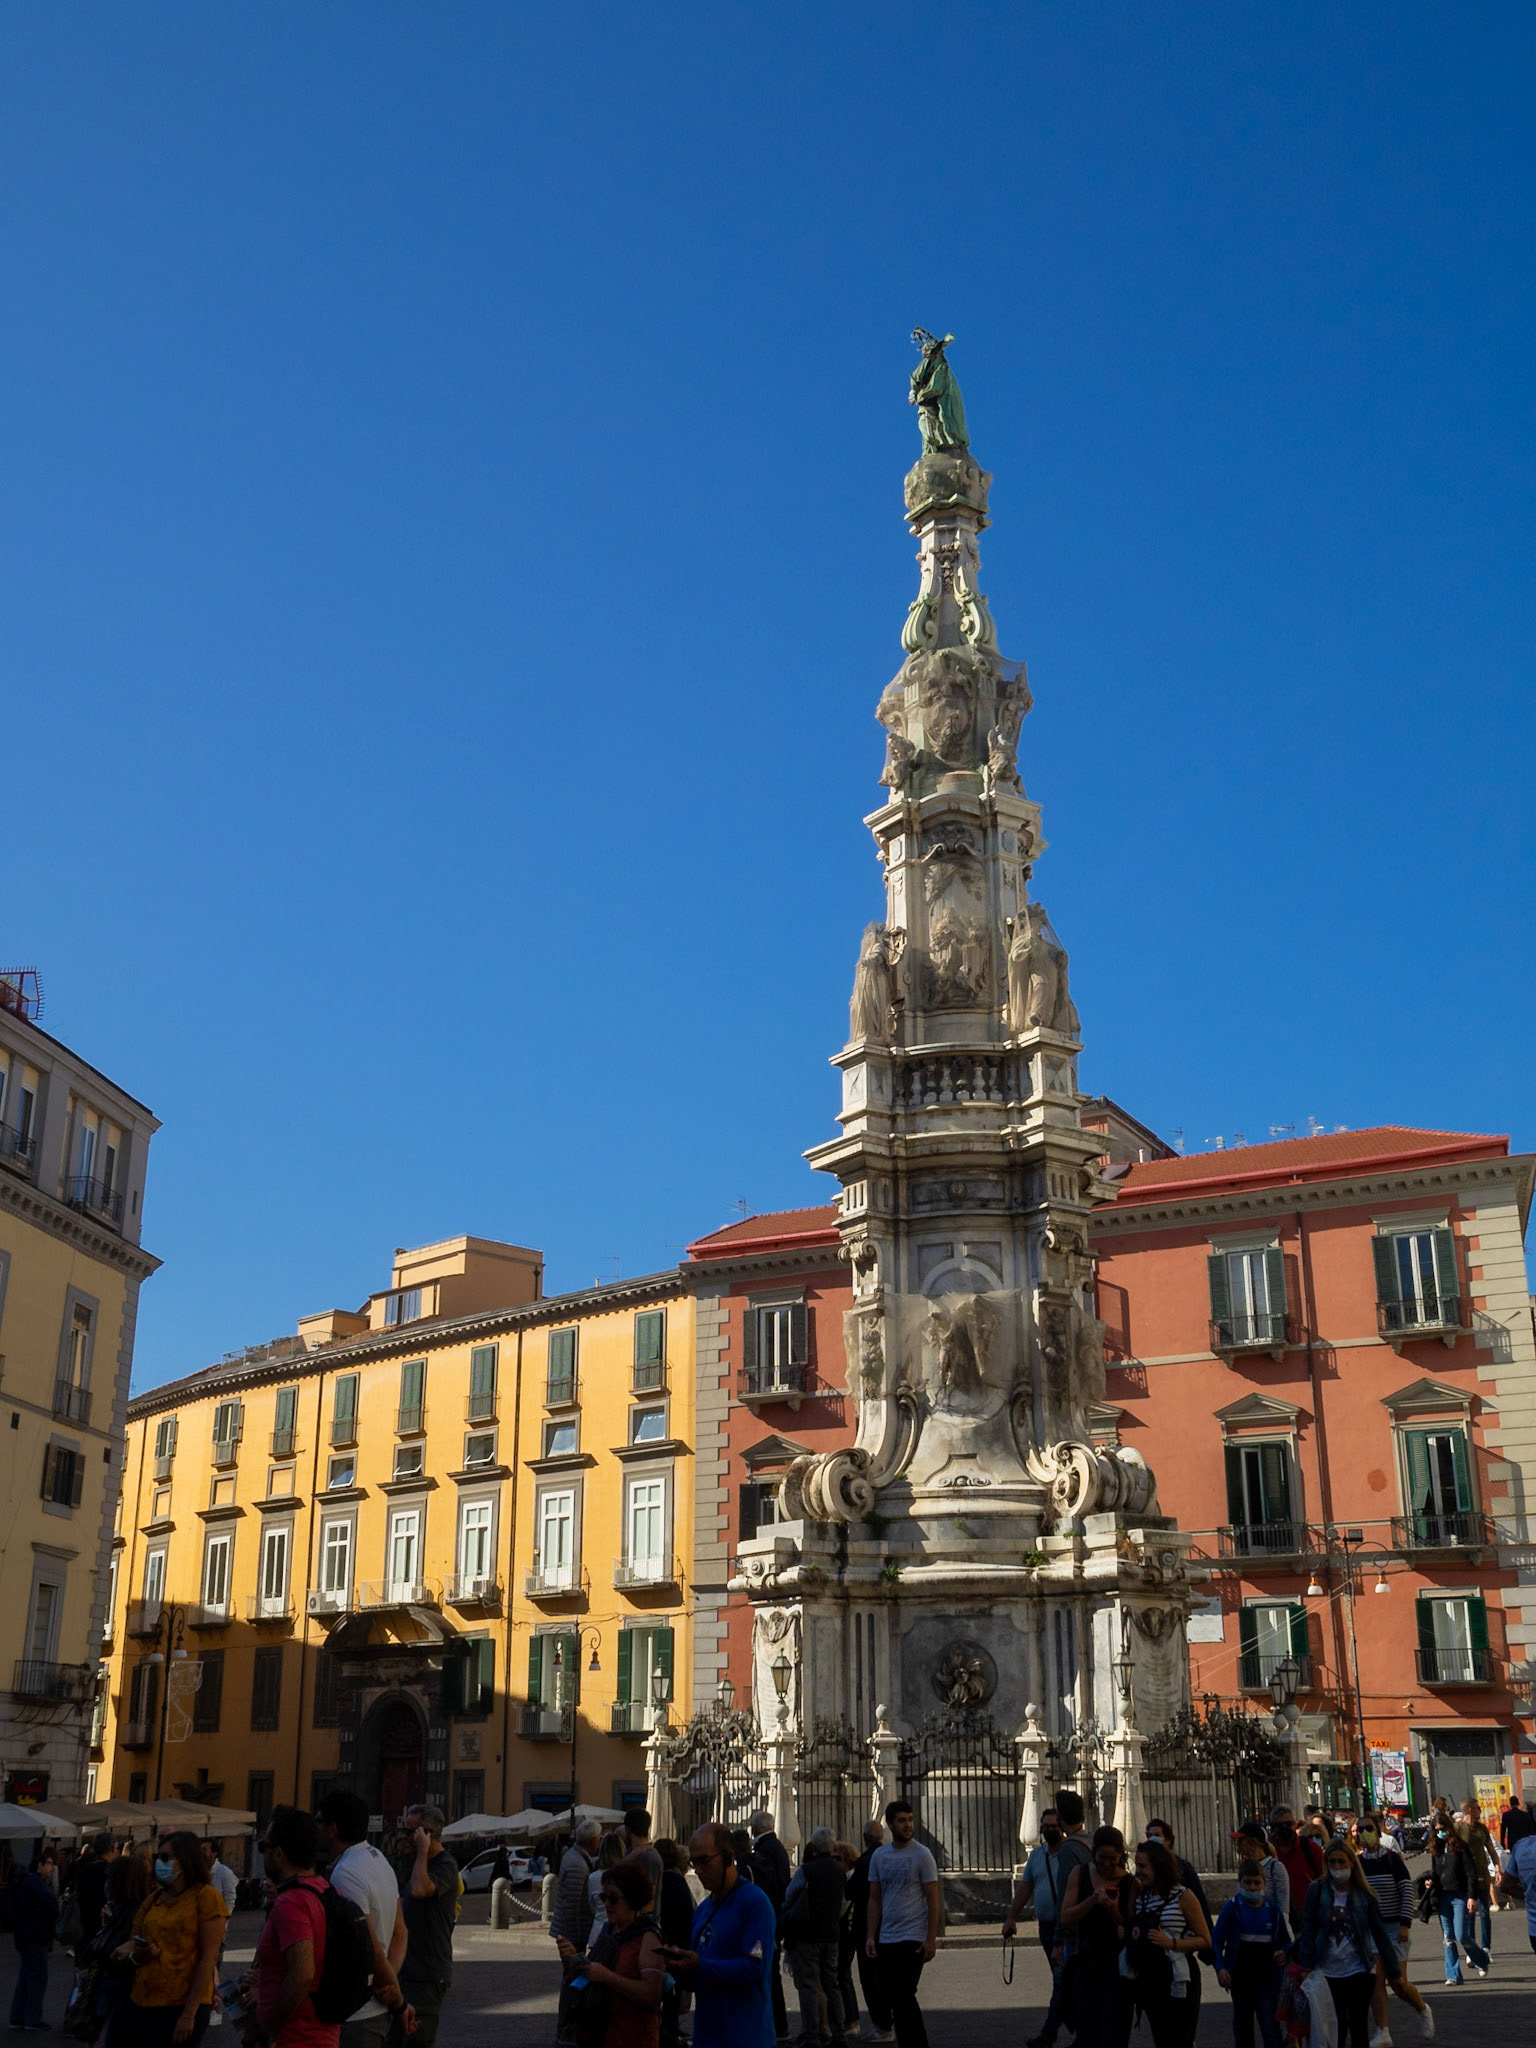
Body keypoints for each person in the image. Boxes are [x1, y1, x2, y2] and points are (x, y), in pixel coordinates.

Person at [662, 1824, 776, 2048]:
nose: (699, 1870)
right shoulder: (704, 1909)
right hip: (707, 2036)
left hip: (746, 2037)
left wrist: (699, 1965)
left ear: (728, 1858)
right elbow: (698, 1973)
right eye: (693, 1863)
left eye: (705, 1861)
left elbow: (756, 1969)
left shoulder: (755, 1903)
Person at [314, 1790, 413, 2048]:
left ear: (332, 1828)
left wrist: (398, 2000)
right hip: (375, 2007)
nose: (315, 1827)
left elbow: (366, 1946)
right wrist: (389, 1986)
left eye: (318, 1821)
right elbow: (400, 1932)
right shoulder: (379, 1860)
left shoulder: (345, 1873)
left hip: (355, 2014)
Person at [117, 1830, 229, 2048]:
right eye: (157, 1857)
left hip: (181, 2004)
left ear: (186, 1861)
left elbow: (208, 1959)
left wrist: (189, 2014)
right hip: (143, 1999)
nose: (160, 1863)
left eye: (166, 1858)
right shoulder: (154, 1899)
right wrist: (136, 1954)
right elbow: (132, 1941)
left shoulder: (206, 1897)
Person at [239, 1804, 339, 2048]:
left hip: (295, 2038)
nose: (262, 1854)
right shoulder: (324, 1889)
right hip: (322, 2034)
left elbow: (303, 1973)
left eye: (264, 1847)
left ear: (279, 1854)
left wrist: (269, 2030)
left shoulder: (291, 1902)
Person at [1293, 1838, 1401, 2048]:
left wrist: (1393, 1971)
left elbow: (1380, 1934)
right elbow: (1307, 1929)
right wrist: (1305, 1966)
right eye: (1332, 1862)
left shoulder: (1365, 1894)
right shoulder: (1317, 1890)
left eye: (1341, 1862)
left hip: (1358, 1969)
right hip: (1327, 1971)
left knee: (1359, 2027)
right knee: (1336, 2029)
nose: (1337, 1867)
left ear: (1352, 1863)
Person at [1001, 1807, 1090, 2048]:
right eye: (1046, 1826)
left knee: (1062, 1981)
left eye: (1054, 1825)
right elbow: (1025, 1888)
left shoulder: (1070, 1853)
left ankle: (1048, 2035)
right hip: (1046, 1929)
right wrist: (1012, 1918)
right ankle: (1083, 2032)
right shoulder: (1037, 1856)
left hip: (1068, 1928)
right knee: (1064, 1982)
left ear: (1061, 1827)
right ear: (1040, 1828)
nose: (1050, 1829)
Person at [556, 1859, 663, 2048]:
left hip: (632, 2038)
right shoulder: (609, 1931)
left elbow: (652, 1995)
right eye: (603, 1897)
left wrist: (608, 1977)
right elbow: (591, 1974)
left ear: (633, 1899)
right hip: (599, 2036)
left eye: (613, 1898)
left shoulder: (648, 1937)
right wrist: (573, 1959)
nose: (607, 1904)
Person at [1121, 1838, 1210, 2048]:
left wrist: (1171, 1943)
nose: (1138, 1871)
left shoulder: (1184, 1896)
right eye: (1137, 1865)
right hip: (1151, 1978)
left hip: (1179, 1978)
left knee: (1181, 2040)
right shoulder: (1142, 1896)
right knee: (1162, 2040)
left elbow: (1205, 1939)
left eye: (1143, 1866)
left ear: (1159, 1867)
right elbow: (1134, 1928)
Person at [1351, 1817, 1431, 2044]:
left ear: (1378, 1832)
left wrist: (1405, 1923)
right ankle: (1382, 2031)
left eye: (1369, 1828)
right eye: (1360, 1830)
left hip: (1394, 1926)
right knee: (1376, 1980)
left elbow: (1406, 1891)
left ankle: (1422, 2008)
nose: (1364, 1833)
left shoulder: (1391, 1859)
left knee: (1399, 1983)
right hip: (1371, 1929)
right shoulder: (1357, 1863)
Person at [865, 1802, 938, 2048]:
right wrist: (870, 1935)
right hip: (887, 1937)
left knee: (905, 1996)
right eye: (901, 1820)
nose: (908, 1825)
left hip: (913, 1937)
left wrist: (930, 1938)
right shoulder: (879, 1856)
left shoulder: (922, 1855)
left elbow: (933, 1899)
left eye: (910, 1819)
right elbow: (874, 1899)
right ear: (890, 1824)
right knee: (893, 1998)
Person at [1058, 1826, 1132, 2048]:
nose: (1107, 1865)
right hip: (1086, 1961)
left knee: (1112, 2032)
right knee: (1087, 2032)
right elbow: (1066, 1917)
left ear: (1121, 1856)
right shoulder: (1079, 1875)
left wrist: (1112, 1909)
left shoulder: (1130, 1883)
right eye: (1102, 1859)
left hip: (1116, 1966)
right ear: (1094, 1854)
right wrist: (1091, 1901)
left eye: (1113, 1859)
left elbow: (1131, 1928)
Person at [393, 1806, 457, 2048]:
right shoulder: (416, 1864)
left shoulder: (446, 1865)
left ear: (427, 1833)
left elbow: (420, 1890)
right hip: (406, 1973)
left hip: (427, 1976)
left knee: (416, 2043)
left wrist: (421, 1851)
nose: (406, 1838)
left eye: (411, 1832)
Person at [1213, 1860, 1290, 2048]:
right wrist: (1220, 1968)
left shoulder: (1273, 1911)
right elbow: (1216, 1941)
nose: (1252, 1887)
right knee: (1243, 2029)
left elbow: (1286, 1942)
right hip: (1240, 1980)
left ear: (1264, 1883)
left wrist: (1283, 1952)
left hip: (1266, 1980)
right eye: (1247, 1883)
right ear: (1240, 1883)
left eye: (1256, 1883)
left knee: (1271, 2029)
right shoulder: (1232, 1909)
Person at [780, 1829, 846, 2048]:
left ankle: (812, 2034)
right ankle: (839, 2033)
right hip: (831, 1934)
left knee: (809, 1986)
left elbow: (789, 1896)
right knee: (831, 1984)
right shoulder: (840, 1871)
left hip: (807, 1934)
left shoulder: (806, 1870)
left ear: (815, 1847)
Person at [83, 1851, 154, 2048]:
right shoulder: (118, 1907)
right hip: (108, 1984)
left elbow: (113, 1951)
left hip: (121, 1987)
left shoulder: (139, 1911)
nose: (107, 1882)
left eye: (111, 1877)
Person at [1421, 1817, 1490, 1984]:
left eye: (1442, 1828)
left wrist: (1472, 1896)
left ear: (1449, 1827)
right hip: (1443, 1895)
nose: (1440, 1832)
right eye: (1436, 1830)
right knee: (1448, 1937)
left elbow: (1470, 1874)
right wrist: (1430, 1881)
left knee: (1462, 1935)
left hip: (1460, 1895)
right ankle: (1452, 1975)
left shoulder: (1460, 1847)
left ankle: (1482, 1959)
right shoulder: (1436, 1848)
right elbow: (1436, 1872)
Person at [748, 1811, 791, 2040]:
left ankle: (777, 2025)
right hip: (777, 1914)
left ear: (754, 1830)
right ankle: (778, 2024)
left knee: (767, 1974)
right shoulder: (778, 1847)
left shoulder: (765, 1851)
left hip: (769, 1918)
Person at [846, 1823, 891, 2044]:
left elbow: (851, 1890)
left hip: (867, 1927)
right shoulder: (889, 1857)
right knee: (885, 1977)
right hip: (889, 1925)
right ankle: (887, 2022)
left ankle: (882, 2025)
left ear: (865, 1838)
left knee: (870, 1978)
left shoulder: (865, 1862)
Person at [10, 1849, 60, 2030]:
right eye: (49, 1864)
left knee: (26, 1976)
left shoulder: (27, 1882)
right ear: (40, 1865)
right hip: (35, 1934)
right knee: (37, 1976)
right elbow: (52, 1904)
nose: (52, 1868)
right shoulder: (35, 1882)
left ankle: (18, 2016)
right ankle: (32, 2017)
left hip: (26, 1934)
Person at [1228, 1822, 1290, 1927]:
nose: (1238, 1844)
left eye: (1241, 1840)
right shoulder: (1244, 1866)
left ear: (1252, 1841)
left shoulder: (1275, 1868)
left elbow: (1283, 1905)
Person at [1454, 1801, 1496, 1945]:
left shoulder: (1482, 1828)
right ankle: (1472, 1948)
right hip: (1466, 1878)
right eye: (1478, 1808)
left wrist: (1497, 1867)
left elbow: (1491, 1849)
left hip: (1483, 1875)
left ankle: (1485, 1947)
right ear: (1471, 1810)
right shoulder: (1458, 1828)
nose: (1481, 1810)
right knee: (1469, 1914)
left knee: (1485, 1914)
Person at [1267, 1808, 1325, 1910]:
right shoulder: (1267, 1852)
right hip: (1276, 1914)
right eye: (1280, 1825)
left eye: (1288, 1824)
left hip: (1308, 1913)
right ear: (1273, 1828)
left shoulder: (1311, 1848)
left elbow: (1324, 1879)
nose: (1285, 1828)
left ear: (1294, 1824)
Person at [831, 1844, 860, 2039]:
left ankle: (851, 2020)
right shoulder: (844, 1879)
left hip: (846, 1934)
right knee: (842, 1976)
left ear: (848, 1860)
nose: (835, 1862)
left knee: (843, 1977)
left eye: (838, 1859)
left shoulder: (850, 1880)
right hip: (845, 1932)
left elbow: (842, 1909)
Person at [587, 1835, 629, 1950]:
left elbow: (592, 1906)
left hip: (597, 1931)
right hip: (619, 1932)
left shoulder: (593, 1877)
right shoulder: (626, 1876)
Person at [622, 1811, 665, 1916]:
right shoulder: (631, 1853)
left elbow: (649, 1899)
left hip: (643, 1923)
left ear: (627, 1829)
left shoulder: (648, 1857)